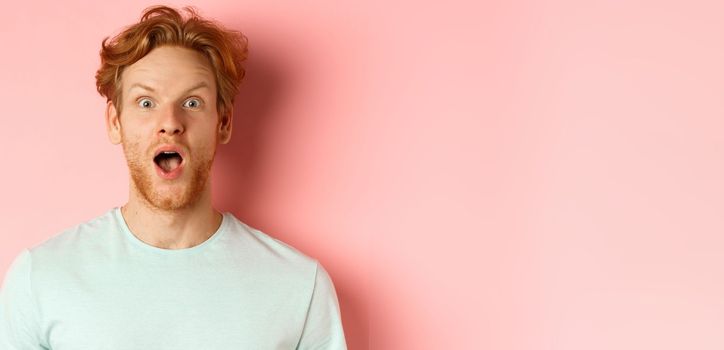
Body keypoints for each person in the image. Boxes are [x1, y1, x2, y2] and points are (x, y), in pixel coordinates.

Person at [0, 5, 347, 349]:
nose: (170, 122)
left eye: (192, 103)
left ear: (223, 123)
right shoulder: (42, 278)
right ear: (115, 122)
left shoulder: (298, 286)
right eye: (146, 103)